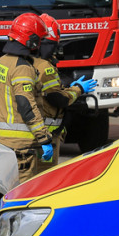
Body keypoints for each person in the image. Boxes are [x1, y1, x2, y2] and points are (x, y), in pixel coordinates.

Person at [0, 13, 55, 183]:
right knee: (24, 195)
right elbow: (25, 104)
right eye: (40, 40)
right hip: (22, 146)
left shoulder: (1, 62)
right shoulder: (22, 68)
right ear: (32, 41)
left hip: (1, 141)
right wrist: (44, 137)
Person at [32, 14, 95, 171]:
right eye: (53, 45)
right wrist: (78, 89)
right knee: (44, 177)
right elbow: (58, 99)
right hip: (47, 134)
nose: (54, 51)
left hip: (33, 132)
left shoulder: (26, 62)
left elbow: (47, 92)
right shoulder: (45, 67)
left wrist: (66, 88)